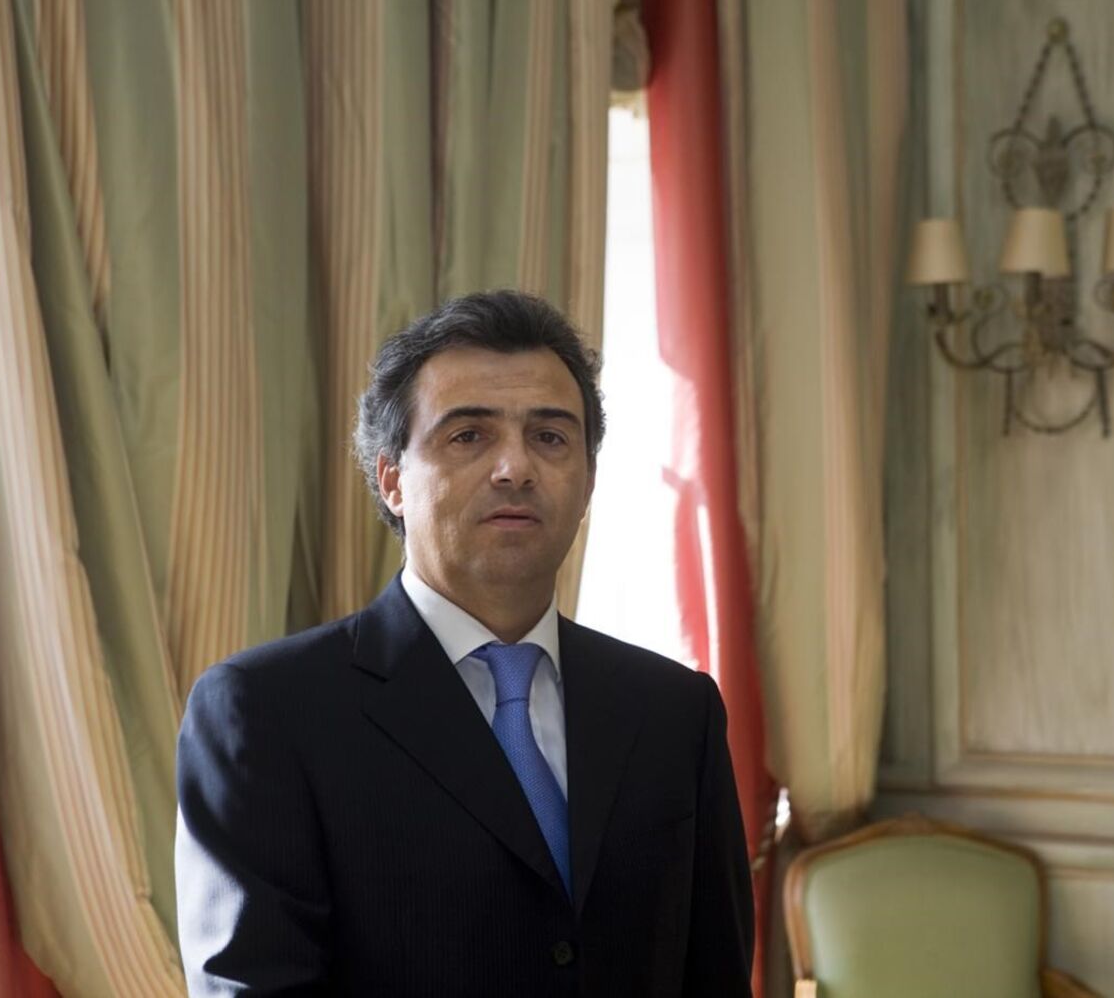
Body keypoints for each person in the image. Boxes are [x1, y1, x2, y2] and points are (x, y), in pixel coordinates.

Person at [174, 290, 754, 997]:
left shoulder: (674, 712)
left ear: (588, 482)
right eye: (469, 436)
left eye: (550, 437)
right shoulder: (267, 712)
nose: (515, 468)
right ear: (392, 480)